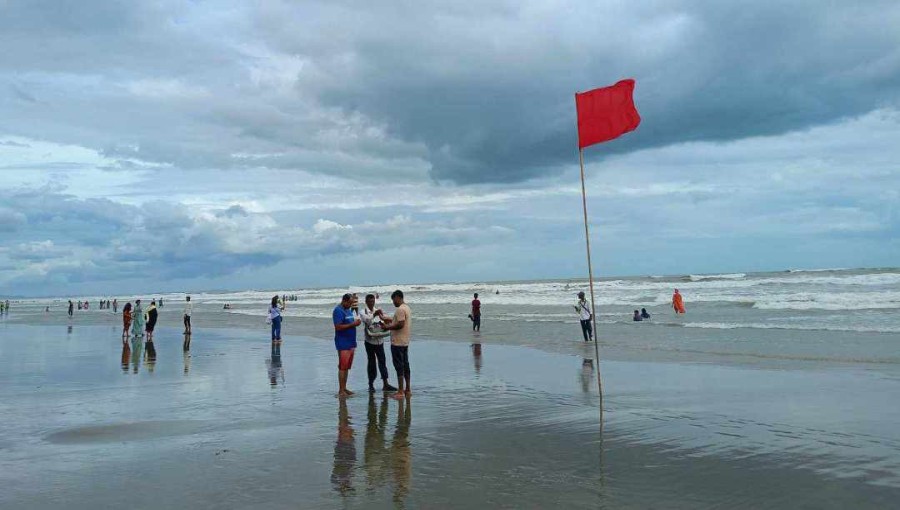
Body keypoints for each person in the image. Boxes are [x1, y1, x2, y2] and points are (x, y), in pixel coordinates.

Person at [360, 294, 396, 392]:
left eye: (373, 301)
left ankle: (386, 384)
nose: (371, 303)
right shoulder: (363, 312)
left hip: (380, 340)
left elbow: (383, 321)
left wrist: (386, 321)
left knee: (382, 362)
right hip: (369, 341)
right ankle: (371, 385)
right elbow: (367, 321)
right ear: (366, 302)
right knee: (371, 363)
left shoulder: (378, 310)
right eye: (370, 301)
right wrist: (374, 315)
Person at [381, 290, 412, 400]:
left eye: (393, 300)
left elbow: (400, 324)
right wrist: (387, 319)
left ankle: (400, 391)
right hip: (405, 341)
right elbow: (398, 320)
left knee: (399, 366)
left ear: (398, 298)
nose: (393, 302)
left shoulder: (400, 309)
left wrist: (386, 327)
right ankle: (407, 389)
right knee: (405, 365)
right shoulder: (406, 308)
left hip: (397, 342)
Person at [333, 293, 361, 397]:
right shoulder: (338, 310)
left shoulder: (348, 310)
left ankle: (344, 388)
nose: (350, 305)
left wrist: (355, 323)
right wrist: (353, 324)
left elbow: (350, 322)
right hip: (343, 342)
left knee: (347, 367)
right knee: (342, 366)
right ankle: (341, 390)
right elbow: (338, 327)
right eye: (349, 303)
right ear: (344, 301)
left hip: (351, 342)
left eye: (351, 303)